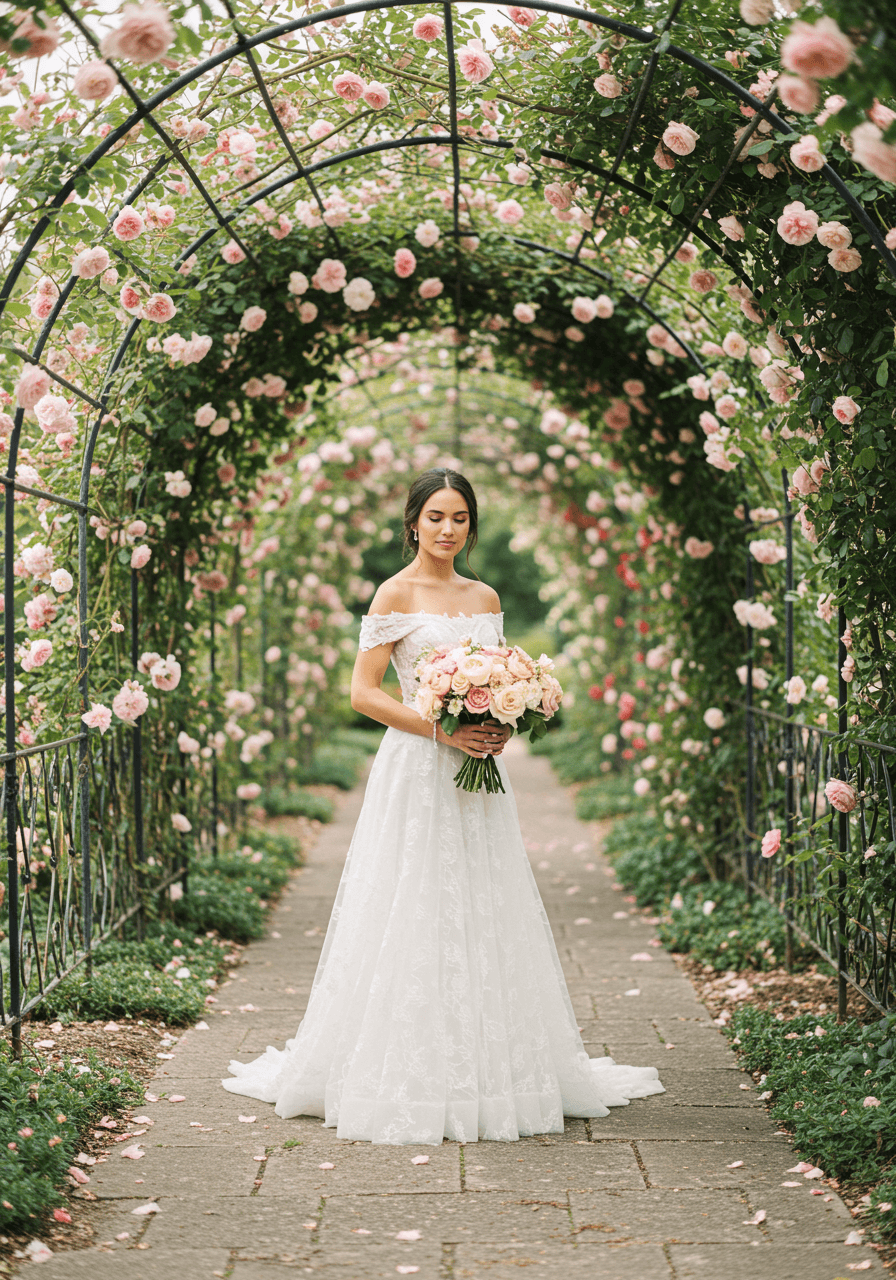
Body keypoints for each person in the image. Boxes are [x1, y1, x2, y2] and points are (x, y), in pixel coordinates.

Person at [221, 467, 664, 1143]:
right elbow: (364, 693)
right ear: (413, 523)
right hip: (418, 767)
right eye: (435, 517)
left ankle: (496, 1064)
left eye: (459, 517)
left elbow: (493, 679)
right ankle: (408, 1064)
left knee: (484, 900)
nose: (447, 529)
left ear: (471, 524)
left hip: (477, 770)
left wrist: (500, 721)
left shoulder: (484, 594)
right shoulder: (394, 593)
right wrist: (442, 730)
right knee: (415, 897)